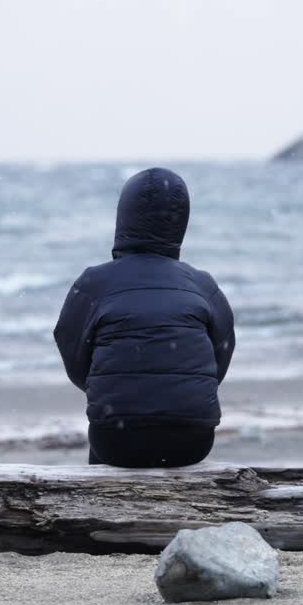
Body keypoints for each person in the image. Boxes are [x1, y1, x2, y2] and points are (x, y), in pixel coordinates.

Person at [53, 167, 235, 467]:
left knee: (108, 433)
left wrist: (116, 386)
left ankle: (102, 508)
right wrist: (180, 393)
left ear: (122, 218)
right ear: (180, 223)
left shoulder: (94, 283)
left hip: (116, 440)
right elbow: (219, 358)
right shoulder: (202, 284)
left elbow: (72, 354)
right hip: (193, 439)